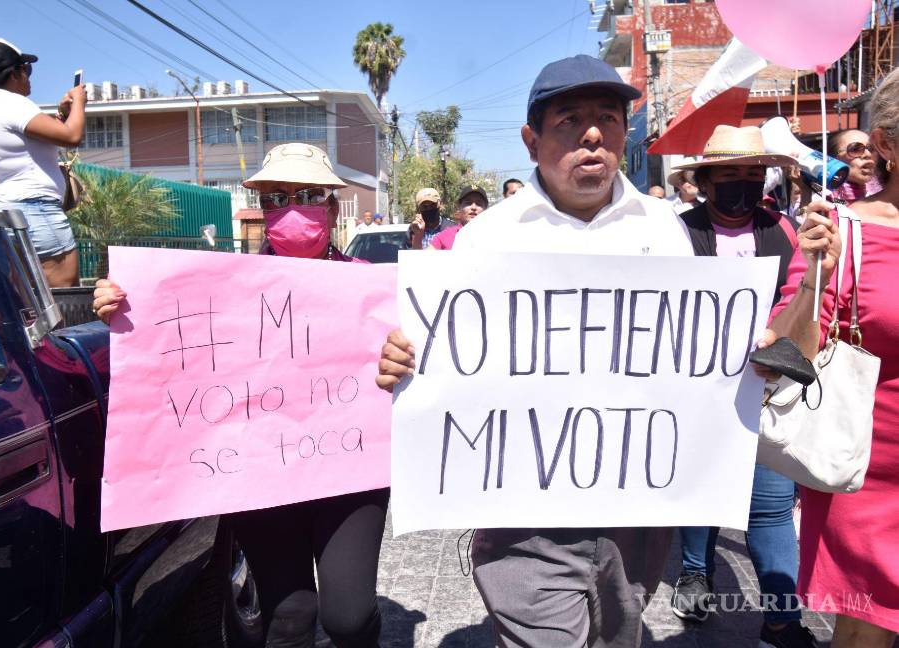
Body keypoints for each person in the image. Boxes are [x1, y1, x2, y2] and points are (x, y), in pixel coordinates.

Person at [377, 55, 692, 647]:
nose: (593, 134)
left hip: (637, 510)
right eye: (570, 120)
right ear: (531, 140)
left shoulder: (663, 228)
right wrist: (403, 358)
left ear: (626, 133)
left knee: (618, 638)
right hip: (526, 517)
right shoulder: (487, 237)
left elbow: (689, 350)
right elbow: (442, 348)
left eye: (607, 117)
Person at [93, 143, 388, 647]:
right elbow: (165, 353)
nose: (292, 207)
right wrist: (122, 310)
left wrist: (401, 359)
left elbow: (416, 369)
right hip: (259, 473)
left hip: (350, 474)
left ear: (334, 207)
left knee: (348, 617)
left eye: (310, 194)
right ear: (262, 209)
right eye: (276, 197)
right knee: (289, 614)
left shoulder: (375, 291)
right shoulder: (219, 292)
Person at [762, 67, 899, 648]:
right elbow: (781, 357)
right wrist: (814, 279)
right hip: (875, 481)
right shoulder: (846, 233)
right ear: (888, 146)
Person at [667, 126, 817, 648]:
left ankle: (781, 617)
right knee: (699, 490)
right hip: (695, 392)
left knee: (772, 505)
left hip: (767, 388)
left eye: (753, 175)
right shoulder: (676, 234)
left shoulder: (784, 230)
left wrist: (774, 336)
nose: (744, 185)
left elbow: (803, 292)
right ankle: (694, 571)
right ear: (706, 181)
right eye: (731, 175)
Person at [0, 38, 86, 288]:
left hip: (10, 209)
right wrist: (79, 101)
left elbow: (47, 134)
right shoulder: (12, 103)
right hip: (38, 211)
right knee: (63, 298)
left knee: (29, 300)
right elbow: (72, 136)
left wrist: (63, 113)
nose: (29, 77)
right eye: (27, 70)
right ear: (14, 73)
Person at [829, 129, 883, 204]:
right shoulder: (821, 198)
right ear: (834, 159)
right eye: (855, 149)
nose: (868, 154)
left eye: (871, 149)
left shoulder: (885, 191)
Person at [430, 185, 488, 250]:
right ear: (459, 207)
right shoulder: (445, 235)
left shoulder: (493, 235)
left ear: (485, 208)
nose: (473, 207)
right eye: (468, 203)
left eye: (479, 203)